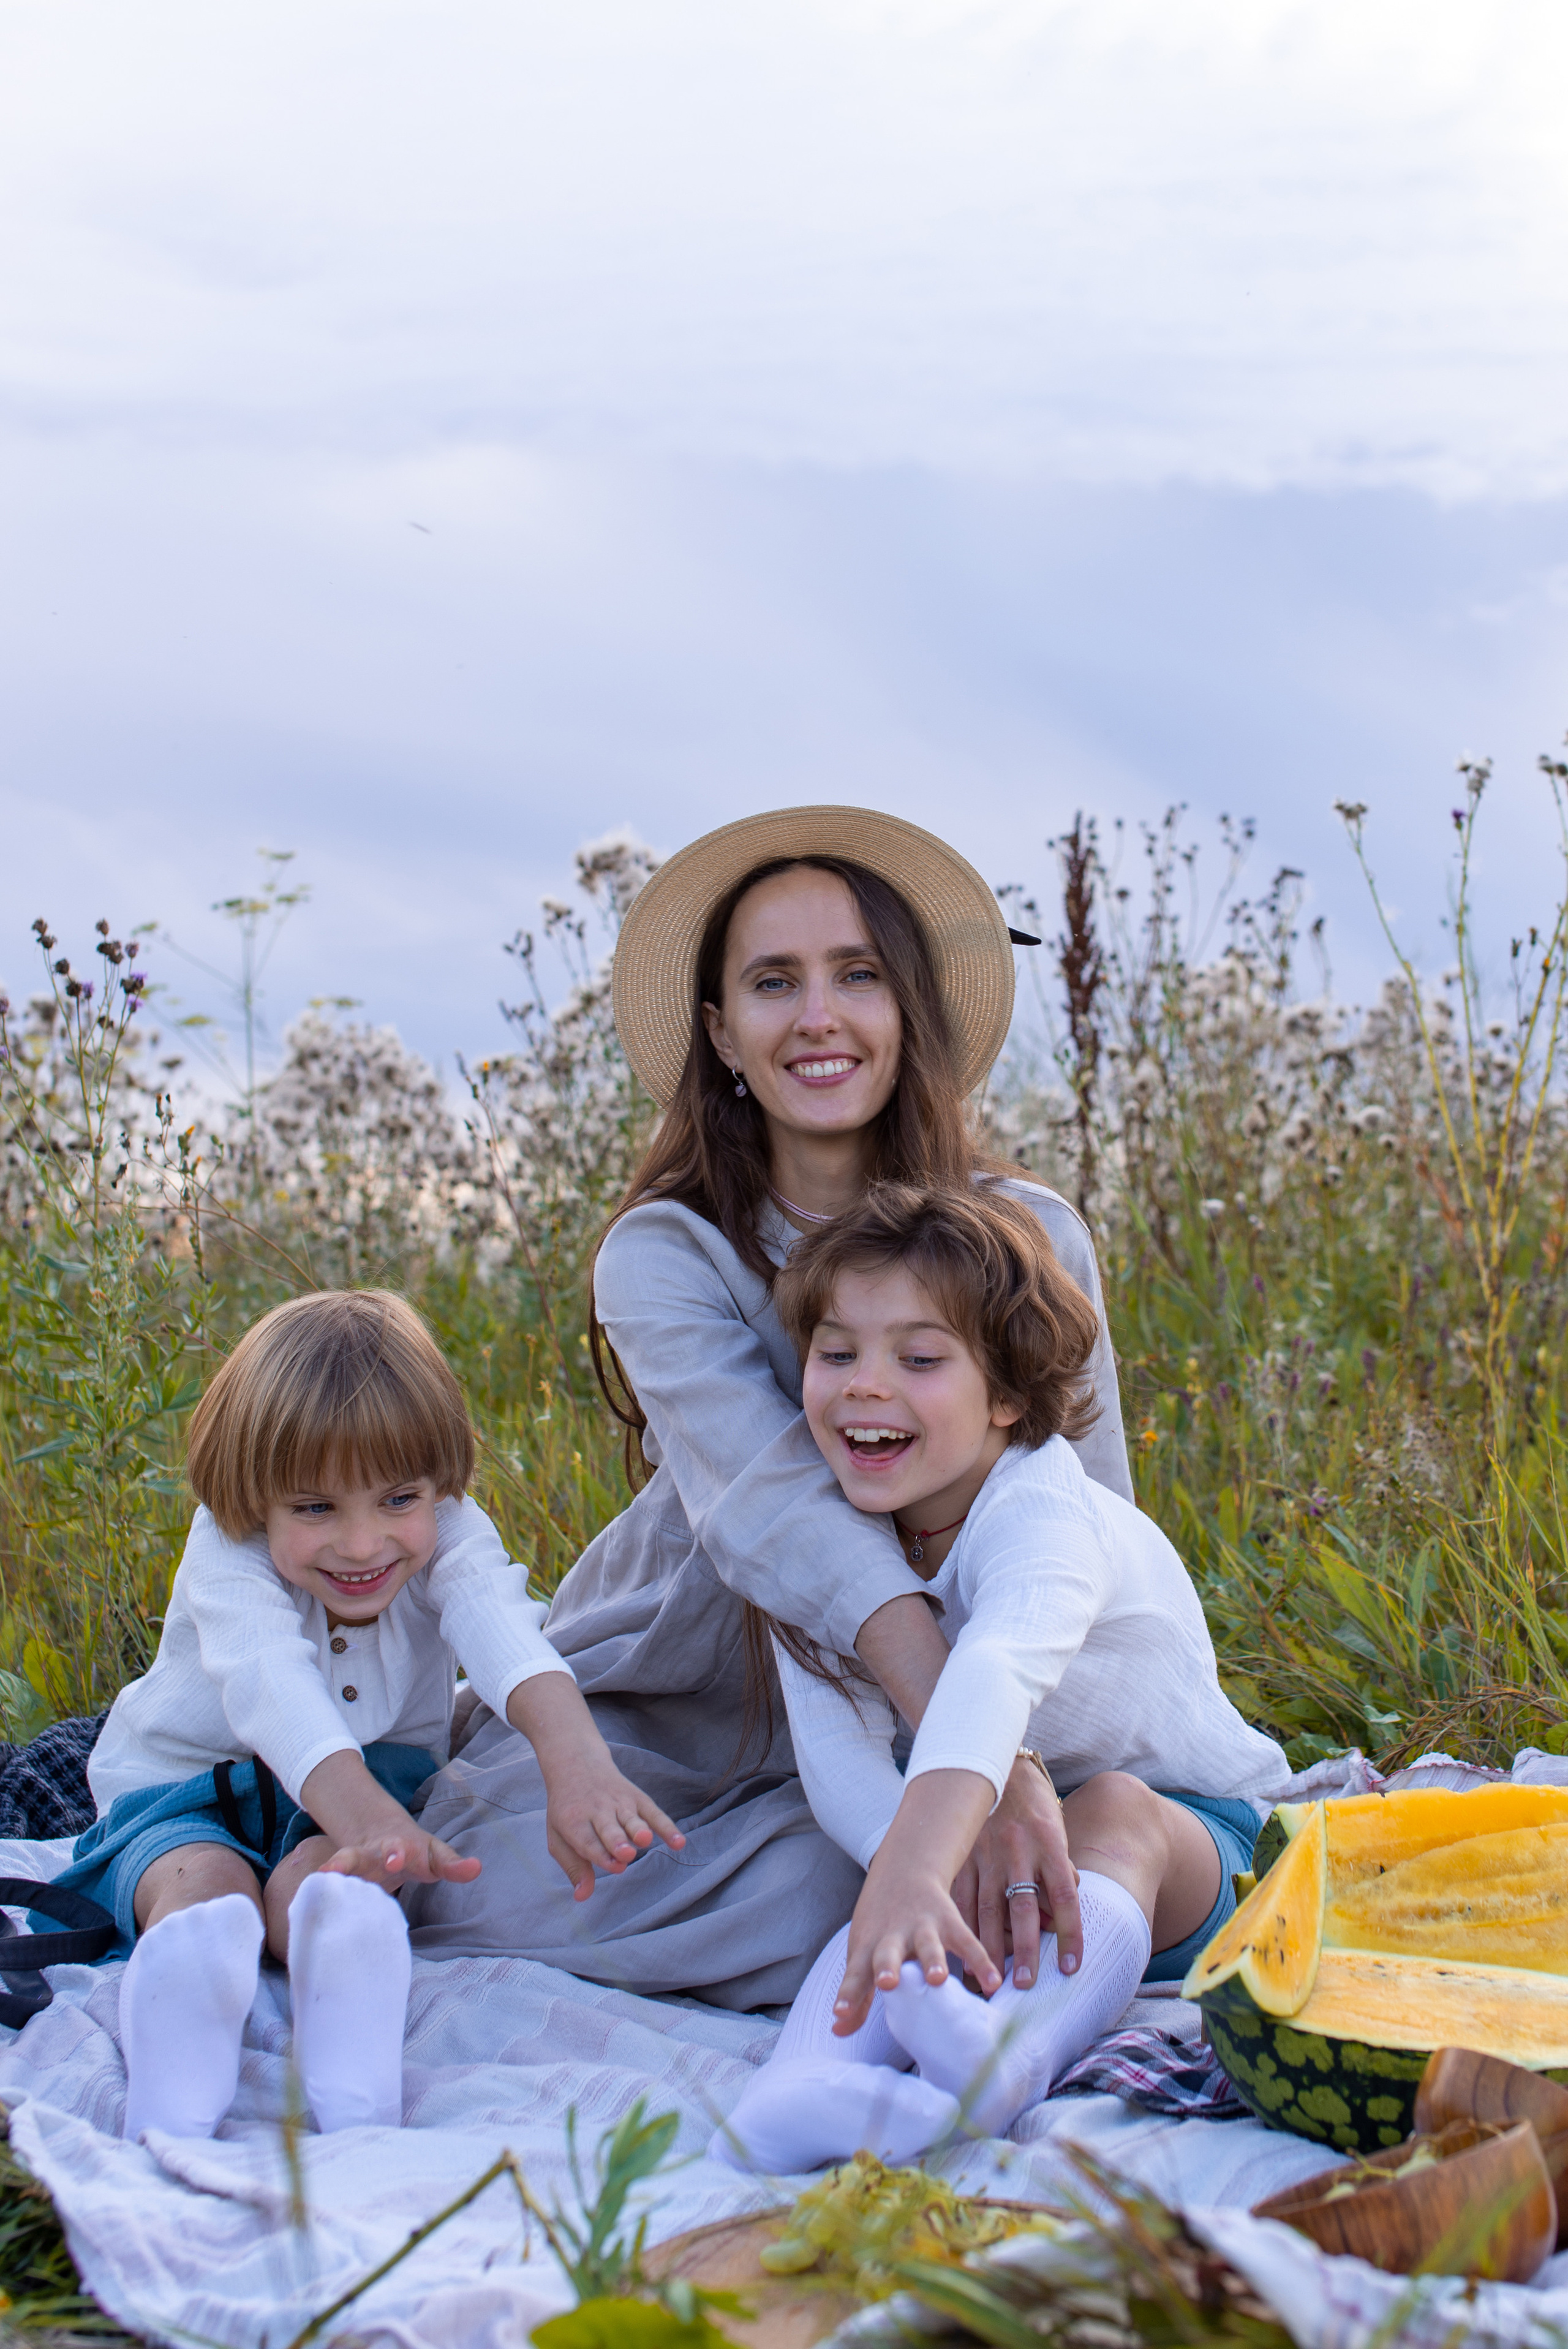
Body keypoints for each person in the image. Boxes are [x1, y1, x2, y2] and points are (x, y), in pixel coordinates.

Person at [406, 806, 1137, 2007]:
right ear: (722, 1033)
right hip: (692, 1705)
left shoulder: (1035, 1238)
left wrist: (1020, 1755)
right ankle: (869, 1893)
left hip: (949, 1708)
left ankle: (926, 1878)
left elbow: (1086, 1526)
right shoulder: (667, 1254)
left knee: (1094, 1840)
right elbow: (782, 1508)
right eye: (771, 982)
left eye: (857, 974)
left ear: (910, 1008)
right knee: (542, 1883)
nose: (816, 1016)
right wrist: (987, 1761)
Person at [711, 1182, 1286, 2172]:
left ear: (1010, 1395)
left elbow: (993, 1671)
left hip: (1205, 1848)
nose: (863, 1383)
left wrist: (927, 1855)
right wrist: (914, 1867)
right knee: (892, 1875)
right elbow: (838, 1752)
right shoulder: (816, 1540)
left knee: (1105, 1805)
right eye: (836, 1351)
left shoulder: (1044, 1510)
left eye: (920, 1357)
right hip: (989, 1831)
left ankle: (1002, 2065)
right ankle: (798, 2085)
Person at [53, 1289, 681, 2142]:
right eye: (315, 1507)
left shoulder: (451, 1529)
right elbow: (267, 1682)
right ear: (254, 1496)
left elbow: (502, 1627)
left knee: (333, 1885)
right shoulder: (227, 1547)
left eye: (396, 1499)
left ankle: (353, 2086)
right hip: (189, 1793)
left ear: (439, 1481)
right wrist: (377, 1822)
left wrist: (576, 1759)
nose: (361, 1544)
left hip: (355, 1792)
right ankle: (174, 2096)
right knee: (206, 1892)